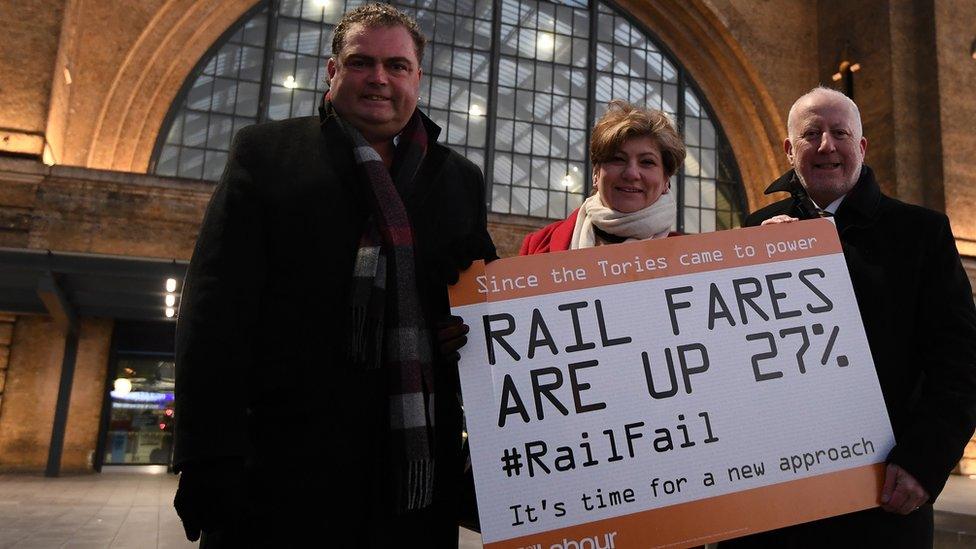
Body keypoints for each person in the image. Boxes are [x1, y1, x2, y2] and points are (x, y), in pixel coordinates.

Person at [172, 4, 495, 547]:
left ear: (418, 76)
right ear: (332, 71)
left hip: (411, 472)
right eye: (361, 62)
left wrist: (463, 326)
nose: (379, 79)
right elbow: (213, 308)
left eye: (397, 65)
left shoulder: (458, 179)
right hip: (284, 464)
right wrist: (208, 454)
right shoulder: (268, 154)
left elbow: (481, 300)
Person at [723, 86, 976, 547]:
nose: (826, 146)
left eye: (840, 133)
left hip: (879, 502)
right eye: (811, 134)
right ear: (788, 149)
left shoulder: (921, 234)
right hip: (773, 505)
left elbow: (962, 361)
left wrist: (925, 461)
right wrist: (749, 262)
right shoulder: (754, 231)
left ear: (860, 147)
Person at [520, 100, 685, 255]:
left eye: (647, 162)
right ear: (596, 174)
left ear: (666, 181)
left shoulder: (692, 259)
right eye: (618, 159)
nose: (631, 173)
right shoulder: (539, 245)